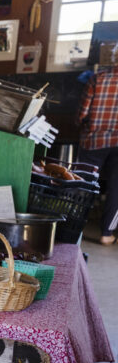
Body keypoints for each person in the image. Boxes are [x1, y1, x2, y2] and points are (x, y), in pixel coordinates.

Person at [79, 64, 118, 244]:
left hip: (94, 140)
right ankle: (106, 233)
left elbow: (83, 112)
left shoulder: (98, 78)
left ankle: (74, 227)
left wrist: (80, 123)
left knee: (84, 183)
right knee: (116, 189)